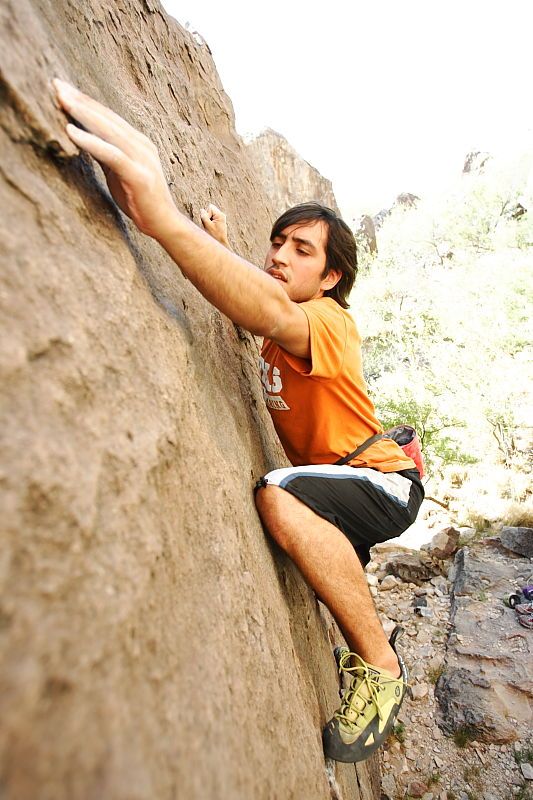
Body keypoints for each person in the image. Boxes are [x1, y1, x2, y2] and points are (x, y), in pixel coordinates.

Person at [52, 79, 424, 763]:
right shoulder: (285, 328)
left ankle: (382, 669)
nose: (280, 254)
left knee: (278, 493)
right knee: (292, 494)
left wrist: (164, 217)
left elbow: (268, 313)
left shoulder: (327, 324)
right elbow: (247, 316)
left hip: (383, 484)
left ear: (332, 279)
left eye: (302, 250)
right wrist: (216, 242)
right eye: (277, 241)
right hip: (343, 484)